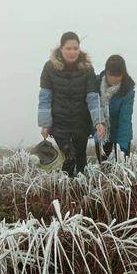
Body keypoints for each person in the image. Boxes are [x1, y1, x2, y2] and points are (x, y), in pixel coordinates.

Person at [38, 32, 105, 177]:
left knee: (81, 159)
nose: (72, 52)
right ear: (61, 48)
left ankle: (82, 191)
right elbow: (45, 97)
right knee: (69, 156)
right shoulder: (49, 67)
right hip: (59, 123)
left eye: (75, 48)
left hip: (81, 122)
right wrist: (45, 124)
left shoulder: (87, 68)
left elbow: (93, 97)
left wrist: (98, 121)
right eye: (68, 48)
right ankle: (64, 191)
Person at [95, 54, 135, 163]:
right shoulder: (96, 83)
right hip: (102, 133)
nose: (113, 78)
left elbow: (125, 121)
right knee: (103, 166)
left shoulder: (127, 91)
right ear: (106, 71)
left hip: (120, 132)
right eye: (110, 74)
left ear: (123, 74)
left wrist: (122, 149)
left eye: (117, 75)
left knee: (123, 168)